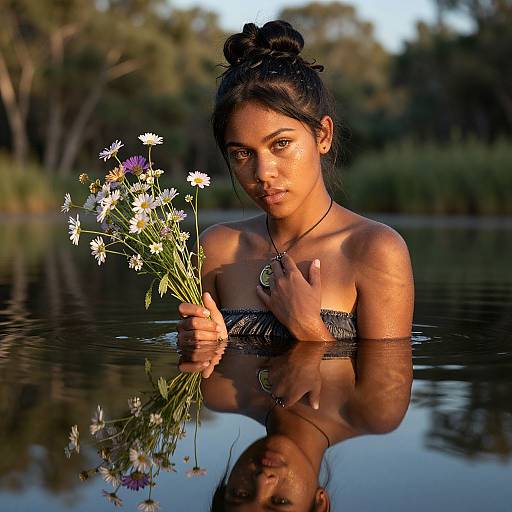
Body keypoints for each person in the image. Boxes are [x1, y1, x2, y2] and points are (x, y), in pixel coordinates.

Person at [177, 19, 414, 360]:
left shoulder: (374, 250)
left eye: (281, 143)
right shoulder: (215, 250)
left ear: (323, 136)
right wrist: (199, 349)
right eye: (242, 153)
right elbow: (202, 390)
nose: (262, 172)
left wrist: (310, 331)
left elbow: (380, 408)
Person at [197, 337, 413, 510]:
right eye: (279, 502)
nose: (263, 479)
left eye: (240, 494)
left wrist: (204, 339)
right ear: (319, 504)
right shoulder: (378, 409)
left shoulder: (217, 386)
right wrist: (311, 334)